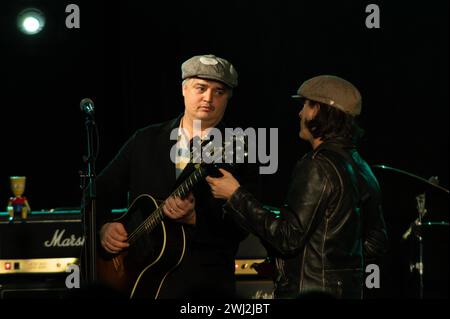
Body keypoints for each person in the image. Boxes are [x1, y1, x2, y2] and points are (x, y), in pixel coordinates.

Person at [206, 75, 388, 299]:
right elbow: (376, 243)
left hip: (308, 293)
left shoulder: (317, 165)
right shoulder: (363, 168)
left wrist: (235, 195)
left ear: (317, 110)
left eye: (304, 105)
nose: (300, 113)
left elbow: (288, 238)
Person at [95, 54, 256, 298]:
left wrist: (195, 220)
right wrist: (104, 228)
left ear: (228, 97)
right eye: (200, 88)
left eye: (219, 92)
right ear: (184, 89)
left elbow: (246, 224)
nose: (208, 98)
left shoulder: (241, 148)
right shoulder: (145, 140)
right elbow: (96, 193)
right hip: (139, 281)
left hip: (205, 287)